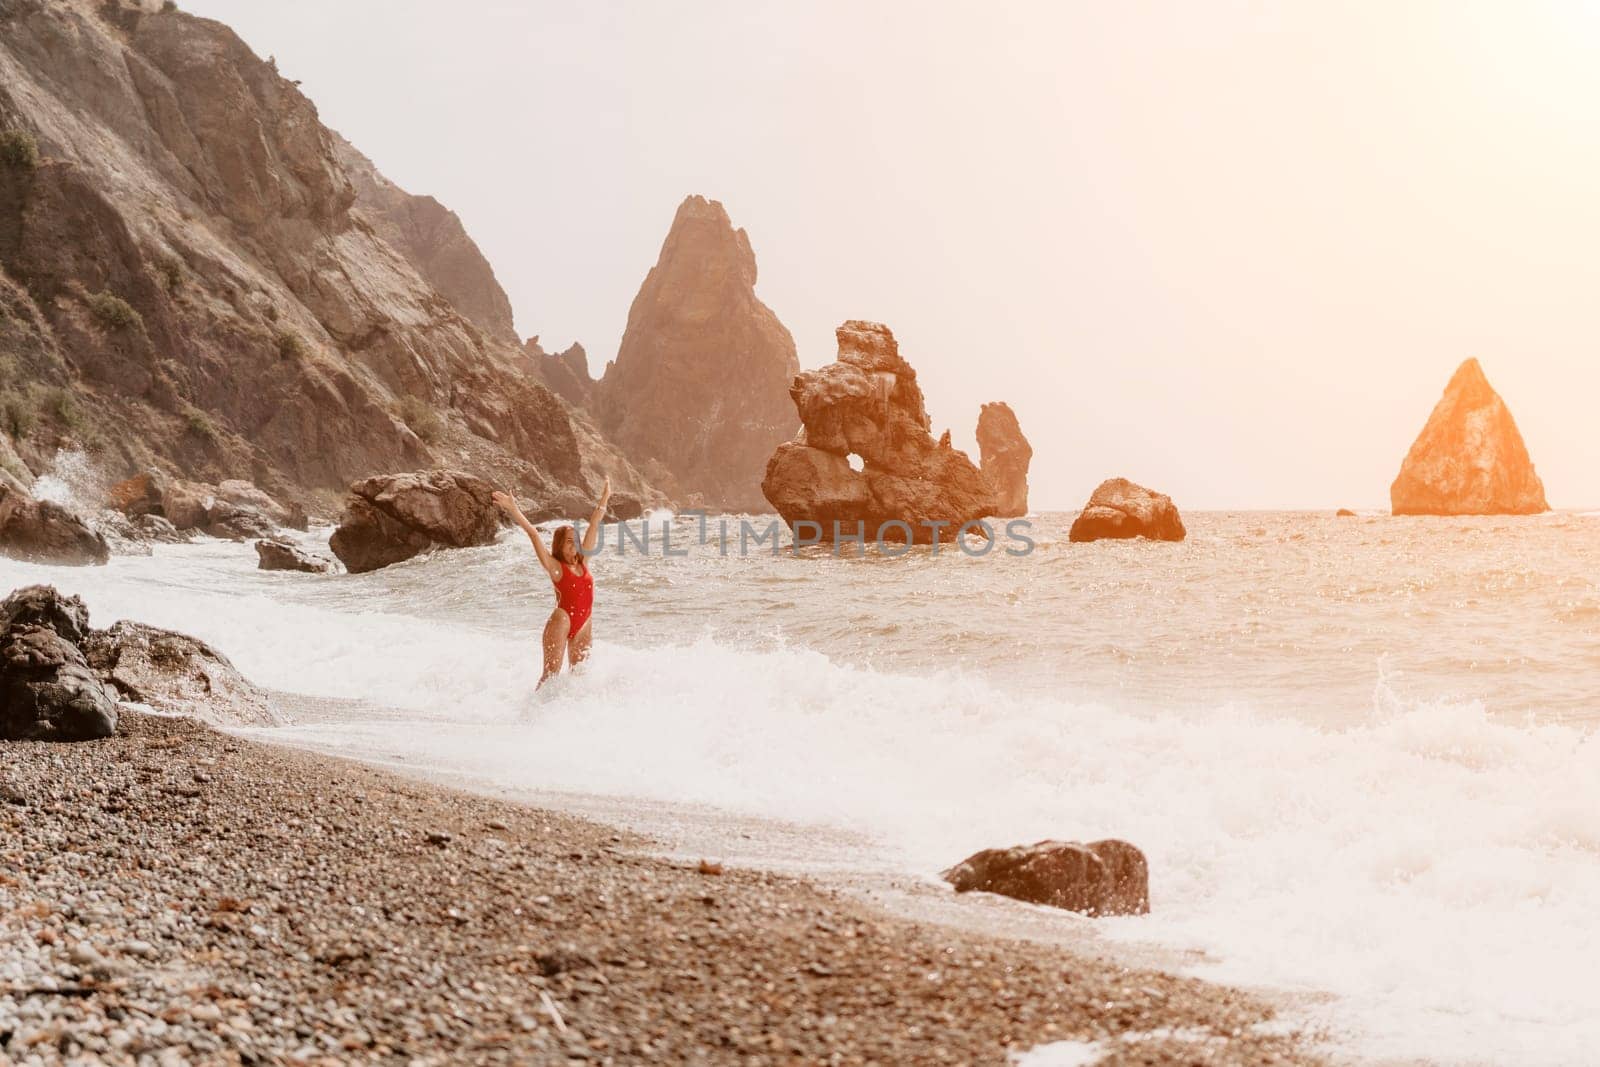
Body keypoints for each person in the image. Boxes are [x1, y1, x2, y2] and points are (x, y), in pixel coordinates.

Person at [492, 477, 610, 688]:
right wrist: (513, 508)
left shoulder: (584, 562)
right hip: (561, 620)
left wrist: (605, 497)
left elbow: (594, 524)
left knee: (580, 679)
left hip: (584, 623)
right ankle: (530, 716)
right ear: (559, 546)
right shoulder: (556, 567)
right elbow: (534, 534)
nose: (574, 544)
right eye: (568, 541)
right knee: (549, 678)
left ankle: (572, 716)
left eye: (575, 540)